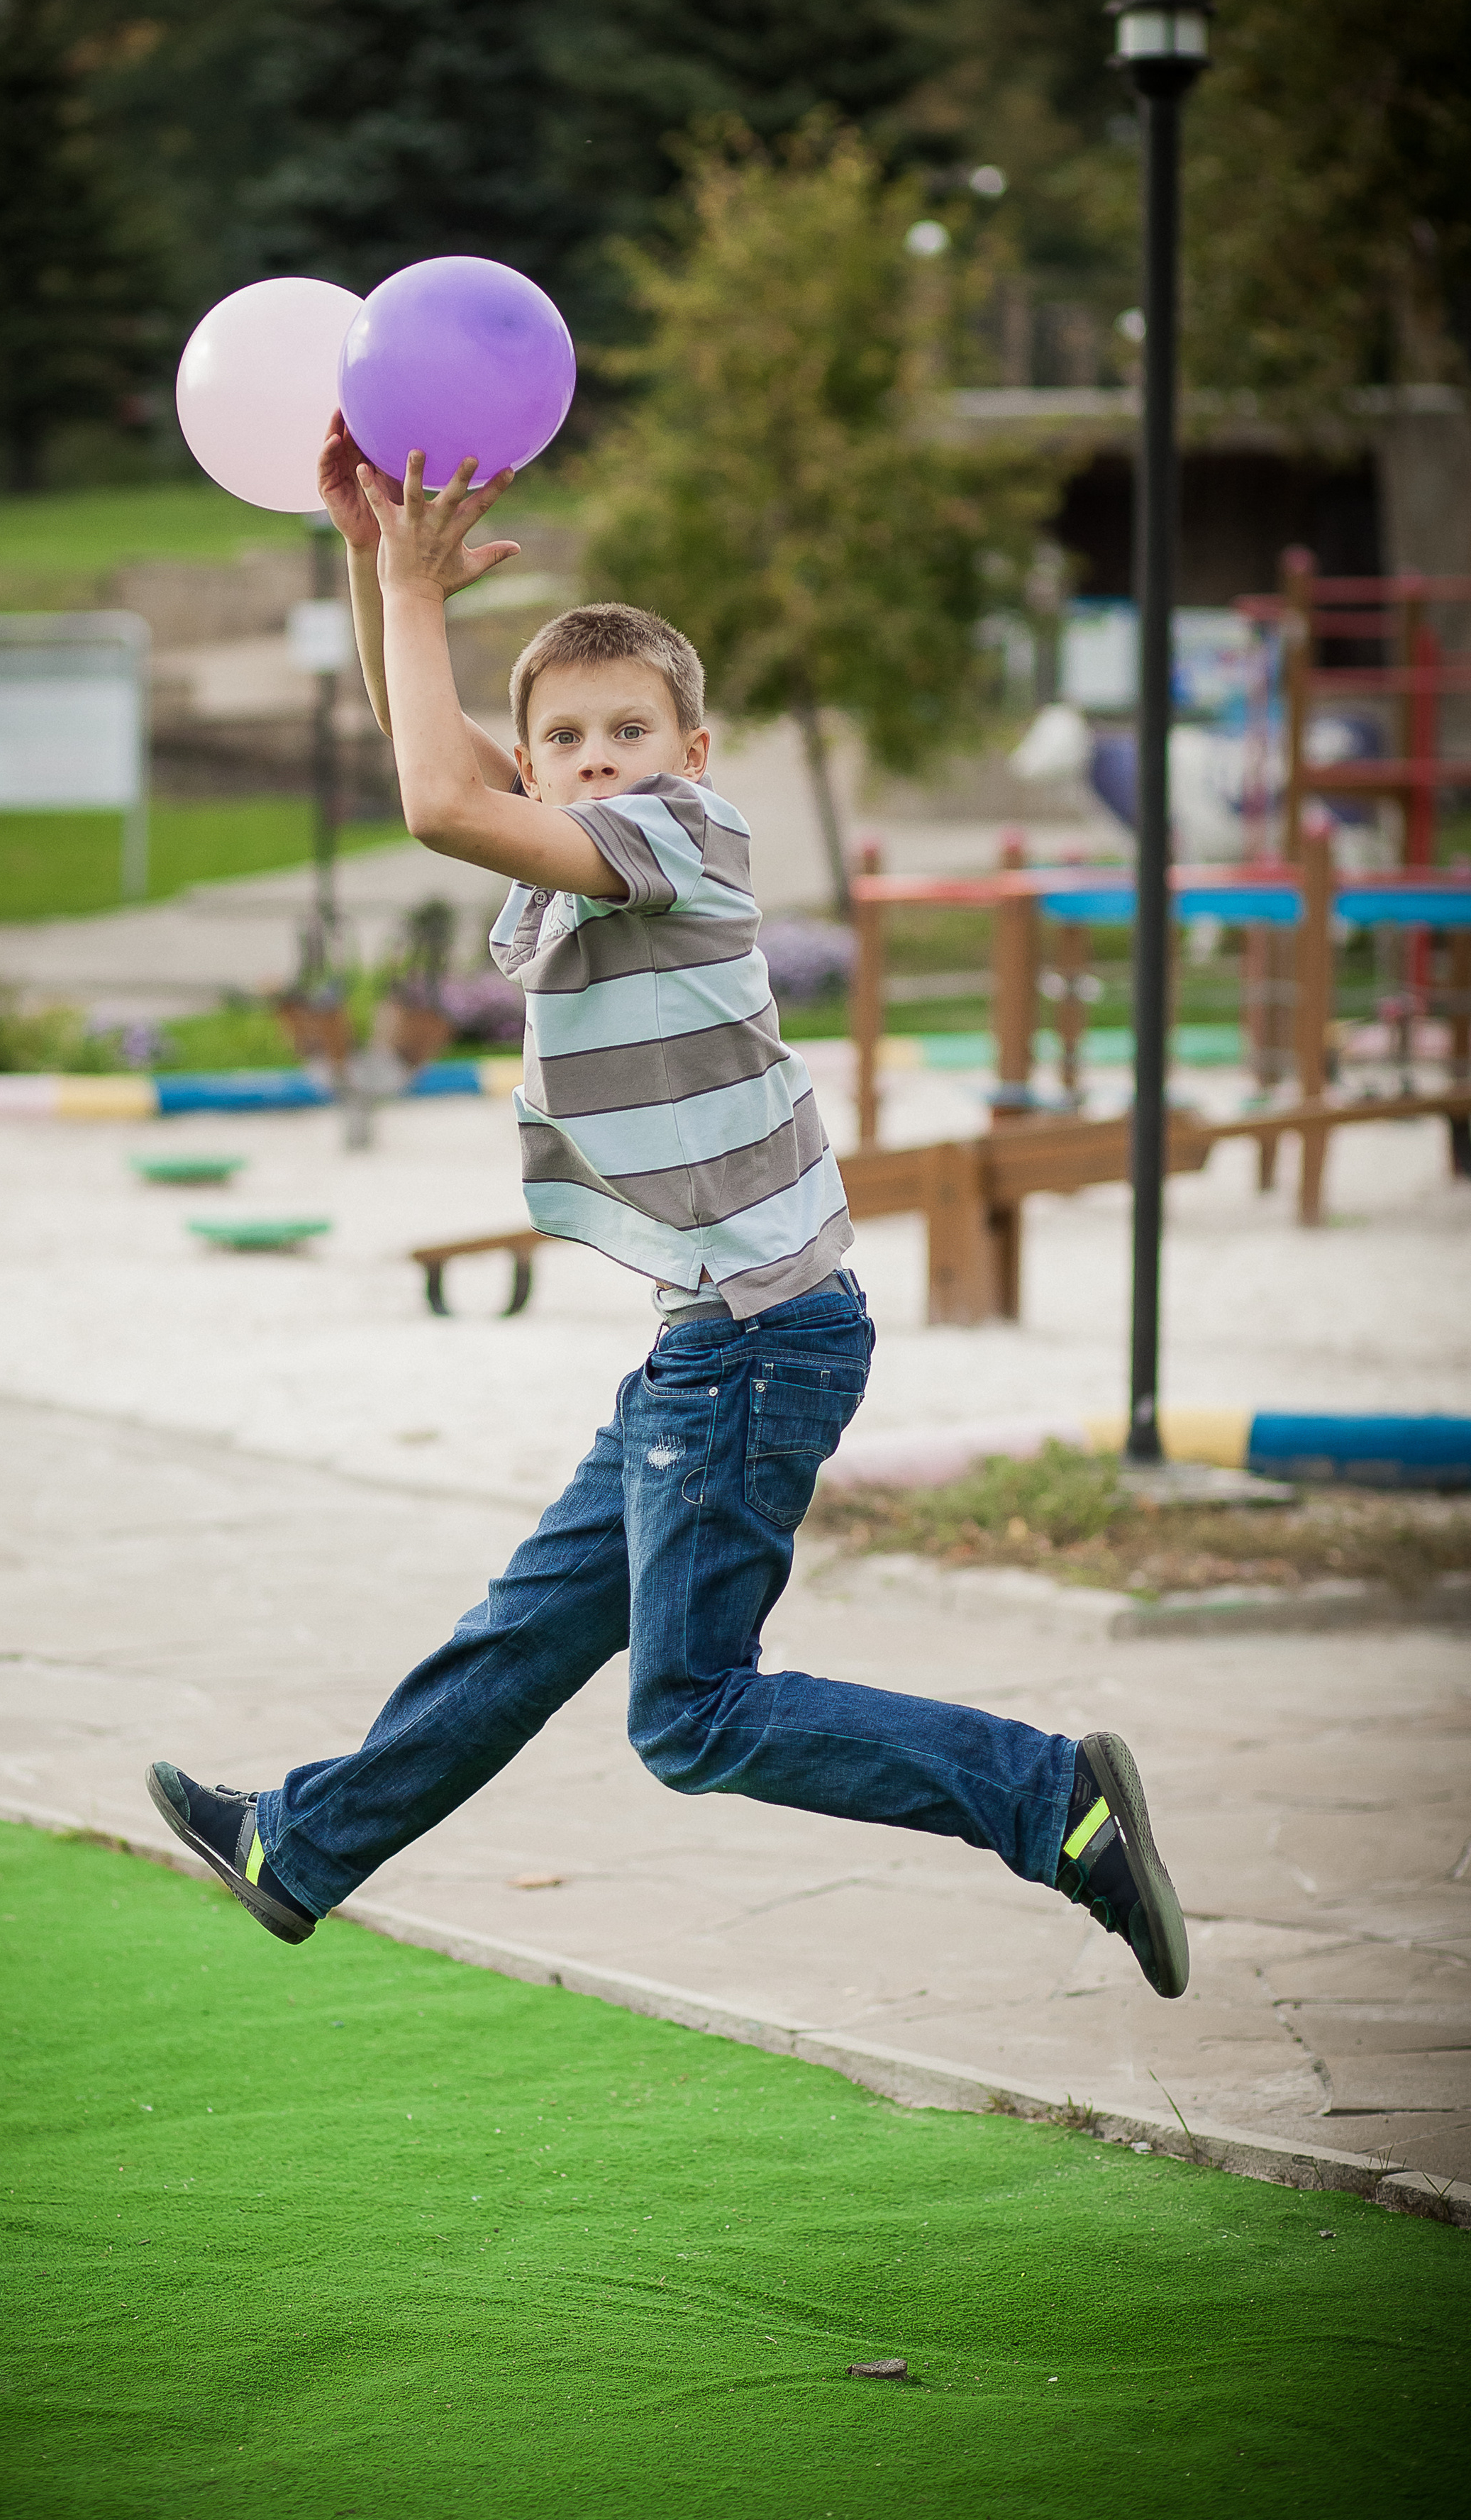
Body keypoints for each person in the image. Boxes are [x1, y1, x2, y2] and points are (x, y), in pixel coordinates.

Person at [148, 423, 1189, 2003]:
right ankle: (306, 1847)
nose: (590, 758)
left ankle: (1054, 1801)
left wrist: (412, 588)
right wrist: (381, 566)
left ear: (690, 752)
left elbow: (435, 798)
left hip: (756, 1345)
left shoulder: (673, 844)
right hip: (711, 1338)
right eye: (559, 740)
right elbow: (426, 752)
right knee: (529, 1628)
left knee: (690, 1716)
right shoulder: (577, 851)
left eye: (627, 730)